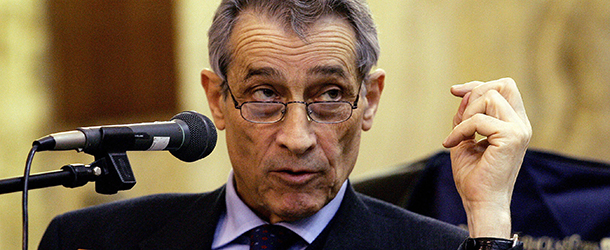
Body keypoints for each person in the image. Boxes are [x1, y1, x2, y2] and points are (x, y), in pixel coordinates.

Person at [38, 0, 532, 249]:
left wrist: (488, 213)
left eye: (331, 95)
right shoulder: (96, 240)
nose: (297, 139)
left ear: (370, 100)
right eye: (265, 95)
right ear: (217, 99)